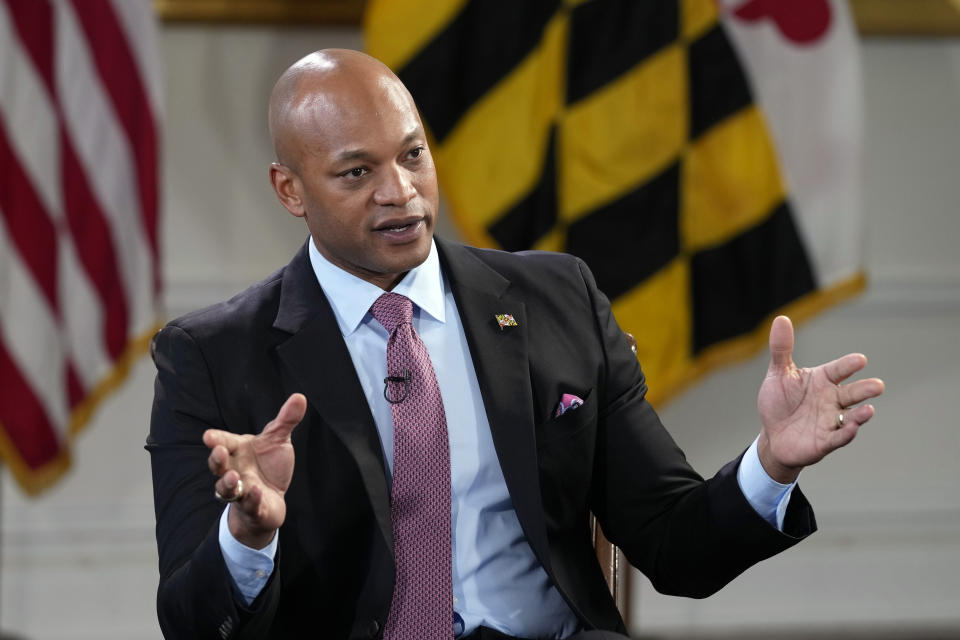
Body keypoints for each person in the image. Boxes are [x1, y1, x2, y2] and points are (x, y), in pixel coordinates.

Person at [146, 49, 884, 640]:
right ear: (290, 190)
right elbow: (189, 617)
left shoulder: (555, 301)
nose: (400, 192)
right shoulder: (212, 357)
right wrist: (246, 533)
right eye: (357, 173)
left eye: (411, 155)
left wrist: (772, 463)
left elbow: (670, 542)